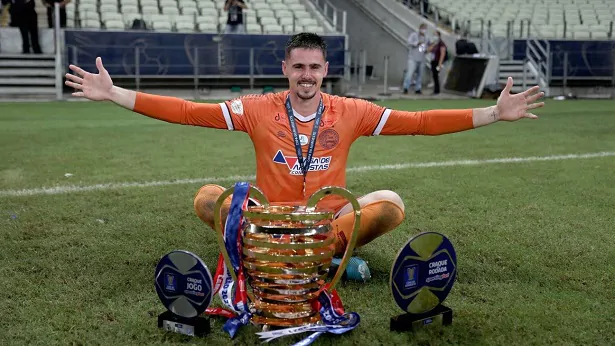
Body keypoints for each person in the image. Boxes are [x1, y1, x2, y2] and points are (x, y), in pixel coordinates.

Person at [64, 32, 544, 275]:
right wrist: (117, 94)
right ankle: (311, 261)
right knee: (210, 199)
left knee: (391, 205)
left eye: (315, 67)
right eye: (299, 67)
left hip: (325, 224)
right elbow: (189, 111)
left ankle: (299, 257)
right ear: (286, 69)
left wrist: (492, 114)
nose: (307, 75)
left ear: (325, 69)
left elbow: (418, 122)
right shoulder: (256, 108)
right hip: (269, 218)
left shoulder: (352, 110)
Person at [402, 23, 427, 94]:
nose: (424, 30)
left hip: (421, 58)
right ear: (420, 28)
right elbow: (408, 42)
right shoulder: (414, 35)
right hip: (413, 58)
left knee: (420, 74)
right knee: (409, 73)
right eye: (423, 28)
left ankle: (418, 89)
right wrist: (417, 43)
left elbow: (426, 47)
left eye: (425, 29)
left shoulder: (426, 37)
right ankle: (405, 87)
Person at [428, 30, 447, 95]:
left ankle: (437, 90)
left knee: (436, 75)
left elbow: (442, 54)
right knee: (434, 75)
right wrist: (433, 45)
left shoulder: (441, 44)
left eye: (435, 35)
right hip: (433, 61)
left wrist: (440, 64)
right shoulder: (434, 43)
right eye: (433, 35)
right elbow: (428, 50)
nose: (434, 36)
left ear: (439, 36)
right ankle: (435, 89)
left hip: (438, 62)